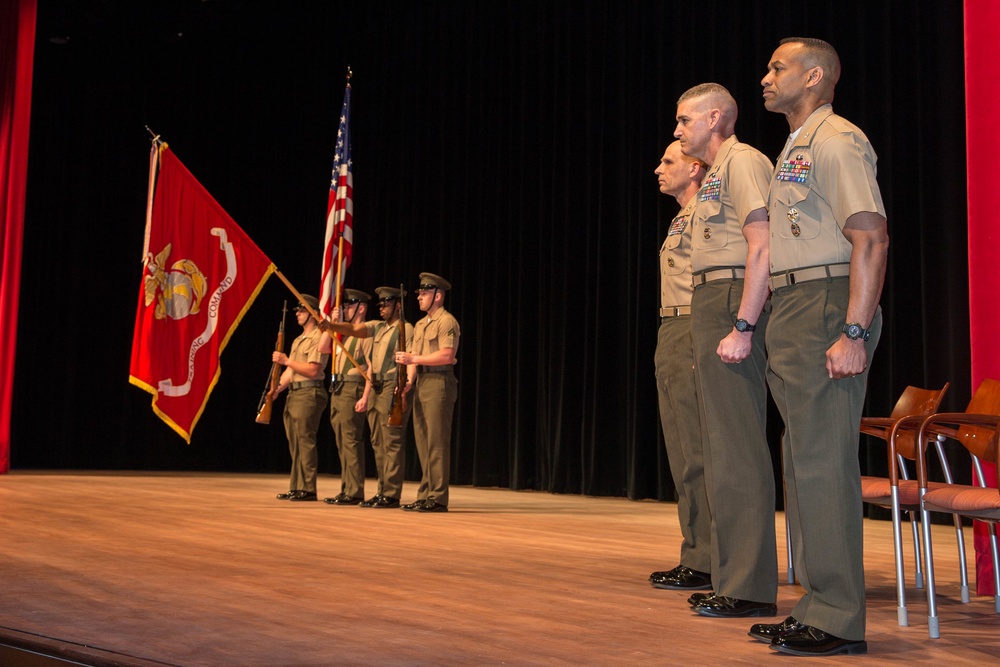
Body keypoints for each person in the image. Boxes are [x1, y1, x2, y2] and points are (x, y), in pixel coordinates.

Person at [750, 37, 887, 657]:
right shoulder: (797, 146)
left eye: (778, 67)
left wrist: (854, 331)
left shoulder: (836, 141)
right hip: (798, 305)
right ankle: (817, 603)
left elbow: (872, 238)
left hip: (828, 303)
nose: (766, 76)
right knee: (806, 466)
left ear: (813, 77)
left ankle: (837, 617)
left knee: (826, 465)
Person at [673, 83, 777, 617]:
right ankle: (732, 575)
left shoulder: (743, 161)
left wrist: (743, 323)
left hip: (735, 296)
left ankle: (750, 586)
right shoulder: (715, 172)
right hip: (711, 296)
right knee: (718, 447)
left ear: (715, 117)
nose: (677, 130)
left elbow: (763, 245)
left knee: (737, 446)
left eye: (684, 119)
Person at [647, 141, 713, 592]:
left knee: (698, 452)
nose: (658, 168)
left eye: (668, 161)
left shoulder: (707, 212)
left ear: (695, 169)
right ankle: (697, 552)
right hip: (671, 327)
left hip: (693, 325)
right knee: (681, 452)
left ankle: (709, 557)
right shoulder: (680, 217)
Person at [320, 286, 414, 508]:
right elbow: (354, 328)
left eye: (386, 304)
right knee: (378, 441)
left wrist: (405, 384)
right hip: (377, 384)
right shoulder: (377, 327)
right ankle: (383, 491)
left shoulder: (406, 329)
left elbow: (411, 358)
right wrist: (332, 325)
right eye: (380, 304)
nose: (381, 308)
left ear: (398, 305)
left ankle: (391, 493)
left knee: (391, 441)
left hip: (392, 383)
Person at [394, 273, 459, 513]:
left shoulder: (446, 321)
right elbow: (413, 358)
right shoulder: (421, 325)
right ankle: (425, 493)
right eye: (419, 293)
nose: (419, 297)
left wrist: (414, 358)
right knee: (422, 441)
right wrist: (408, 381)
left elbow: (447, 355)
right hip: (422, 381)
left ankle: (438, 497)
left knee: (437, 441)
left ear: (438, 296)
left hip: (439, 381)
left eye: (424, 293)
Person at [272, 294, 329, 502]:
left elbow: (313, 370)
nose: (297, 314)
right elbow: (291, 371)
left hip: (309, 391)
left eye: (302, 311)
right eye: (297, 311)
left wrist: (286, 360)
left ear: (312, 314)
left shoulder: (318, 337)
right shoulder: (298, 339)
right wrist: (277, 389)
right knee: (294, 442)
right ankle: (296, 486)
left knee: (305, 440)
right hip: (295, 392)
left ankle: (308, 488)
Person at [318, 289, 373, 506]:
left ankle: (355, 491)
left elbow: (371, 367)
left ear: (360, 308)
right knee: (342, 441)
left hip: (353, 389)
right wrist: (332, 323)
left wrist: (366, 395)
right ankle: (346, 488)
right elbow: (322, 347)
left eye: (349, 306)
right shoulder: (344, 335)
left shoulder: (364, 334)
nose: (346, 309)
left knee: (351, 441)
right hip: (339, 389)